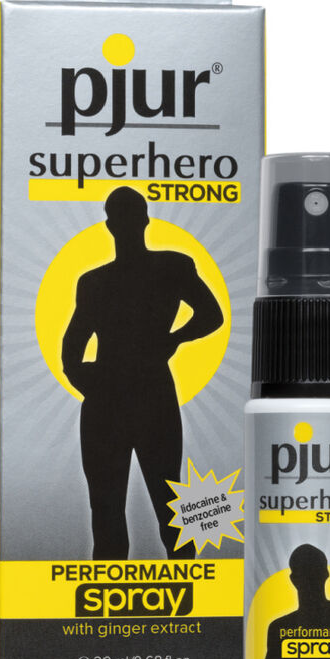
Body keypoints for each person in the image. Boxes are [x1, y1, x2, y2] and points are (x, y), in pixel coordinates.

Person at [61, 187, 224, 560]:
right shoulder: (99, 280)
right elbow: (72, 347)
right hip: (125, 397)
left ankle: (179, 589)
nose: (126, 225)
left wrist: (173, 339)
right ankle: (121, 591)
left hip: (142, 396)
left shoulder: (167, 267)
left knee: (165, 507)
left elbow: (212, 314)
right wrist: (89, 382)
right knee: (118, 510)